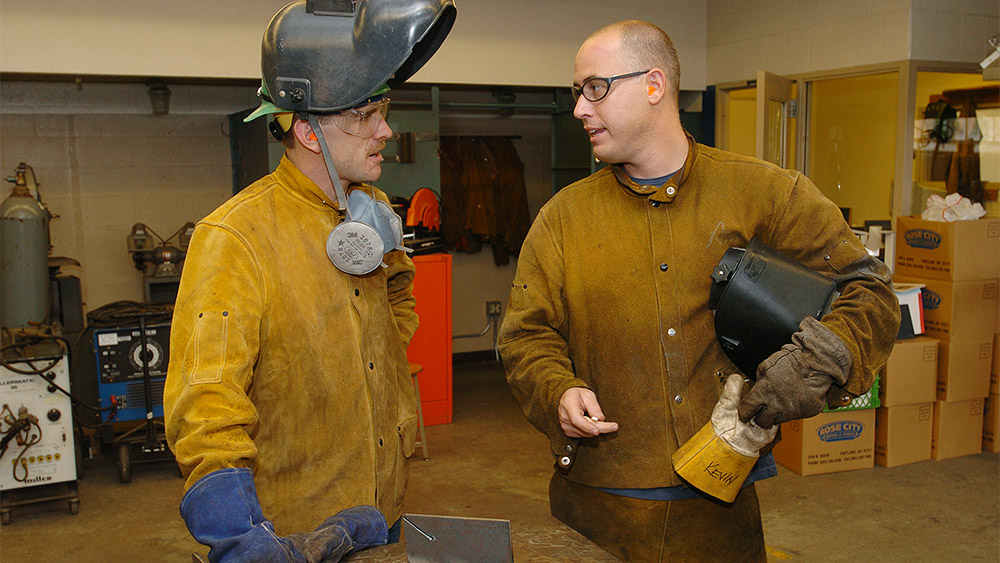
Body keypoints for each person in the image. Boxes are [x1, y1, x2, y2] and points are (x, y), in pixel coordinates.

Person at [497, 20, 899, 562]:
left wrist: (813, 362)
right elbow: (526, 335)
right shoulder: (563, 219)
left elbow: (868, 289)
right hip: (596, 508)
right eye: (577, 93)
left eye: (595, 88)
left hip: (721, 504)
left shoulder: (763, 193)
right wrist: (557, 390)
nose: (579, 110)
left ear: (654, 85)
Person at [163, 1, 456, 561]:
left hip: (382, 516)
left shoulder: (366, 212)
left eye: (383, 110)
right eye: (365, 116)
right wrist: (236, 532)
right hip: (292, 533)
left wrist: (391, 263)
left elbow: (391, 339)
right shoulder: (235, 237)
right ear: (308, 129)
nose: (386, 130)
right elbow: (205, 401)